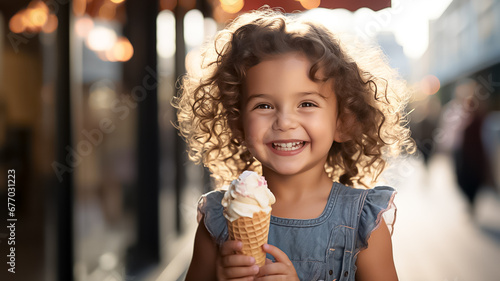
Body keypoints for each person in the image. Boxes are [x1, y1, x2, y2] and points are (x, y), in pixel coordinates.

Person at [174, 8, 413, 281]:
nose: (285, 122)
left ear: (343, 121)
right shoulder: (217, 218)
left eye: (307, 104)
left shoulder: (364, 222)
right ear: (238, 123)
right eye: (263, 105)